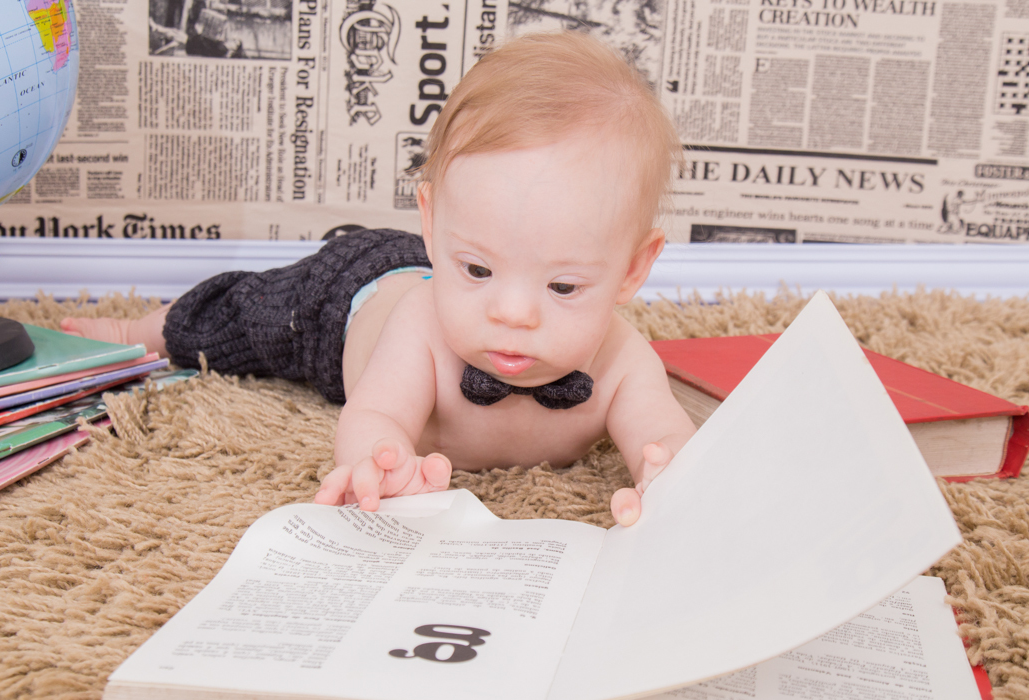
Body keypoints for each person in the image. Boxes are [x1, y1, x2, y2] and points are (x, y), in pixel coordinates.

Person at [62, 32, 697, 526]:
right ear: (432, 224)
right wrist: (380, 460)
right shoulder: (422, 329)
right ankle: (137, 326)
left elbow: (666, 437)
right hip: (350, 300)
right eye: (477, 269)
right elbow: (372, 417)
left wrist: (667, 477)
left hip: (422, 272)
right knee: (243, 318)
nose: (511, 311)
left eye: (562, 288)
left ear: (632, 269)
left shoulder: (622, 362)